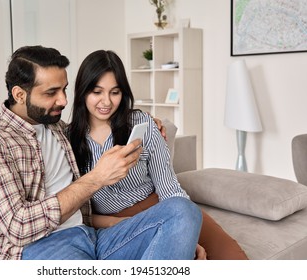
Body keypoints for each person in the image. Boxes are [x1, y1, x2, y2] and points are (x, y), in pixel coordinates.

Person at [0, 45, 202, 260]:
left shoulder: (58, 129)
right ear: (19, 94)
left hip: (92, 238)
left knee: (184, 212)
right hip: (40, 246)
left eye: (65, 90)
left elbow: (100, 124)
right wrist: (97, 177)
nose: (64, 100)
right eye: (51, 93)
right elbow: (19, 226)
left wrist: (146, 120)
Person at [68, 49, 248, 260]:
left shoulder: (142, 123)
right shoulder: (67, 139)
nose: (106, 102)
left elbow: (169, 187)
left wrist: (186, 233)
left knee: (234, 259)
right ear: (82, 92)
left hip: (161, 207)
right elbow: (75, 212)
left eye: (114, 92)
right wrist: (113, 223)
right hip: (112, 225)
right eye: (97, 92)